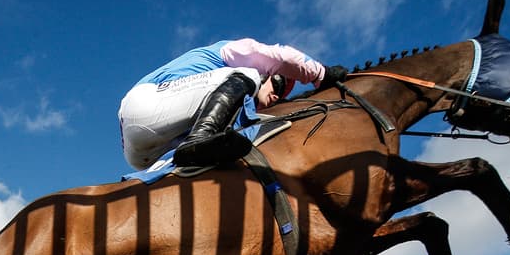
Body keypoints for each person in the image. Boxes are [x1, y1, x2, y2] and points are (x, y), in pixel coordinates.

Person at [119, 38, 348, 170]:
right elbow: (282, 58)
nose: (277, 96)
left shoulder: (222, 102)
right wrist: (321, 74)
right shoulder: (230, 50)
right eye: (277, 84)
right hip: (144, 104)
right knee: (248, 75)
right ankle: (201, 139)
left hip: (140, 157)